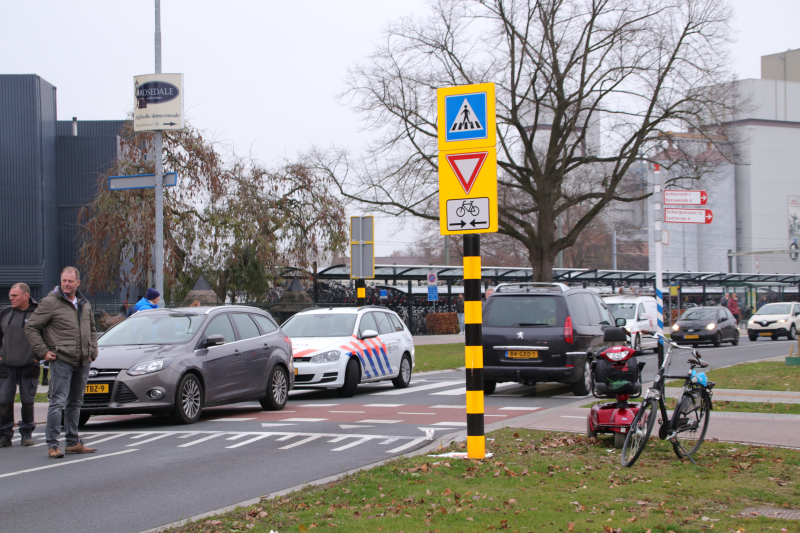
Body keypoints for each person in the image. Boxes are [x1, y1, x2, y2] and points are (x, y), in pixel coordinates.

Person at [25, 267, 98, 458]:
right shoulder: (50, 302)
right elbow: (31, 327)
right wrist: (43, 352)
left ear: (78, 283)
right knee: (57, 403)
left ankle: (73, 442)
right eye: (64, 281)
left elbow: (92, 329)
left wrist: (93, 352)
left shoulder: (84, 303)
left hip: (82, 361)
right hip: (62, 360)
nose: (66, 284)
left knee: (75, 403)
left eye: (70, 281)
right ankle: (52, 444)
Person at [0, 283, 40, 447]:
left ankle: (26, 432)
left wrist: (37, 357)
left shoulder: (38, 313)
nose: (11, 299)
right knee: (4, 400)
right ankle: (4, 434)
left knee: (27, 400)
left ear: (25, 296)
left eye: (14, 296)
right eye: (10, 295)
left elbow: (46, 336)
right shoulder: (5, 313)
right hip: (7, 364)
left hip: (29, 364)